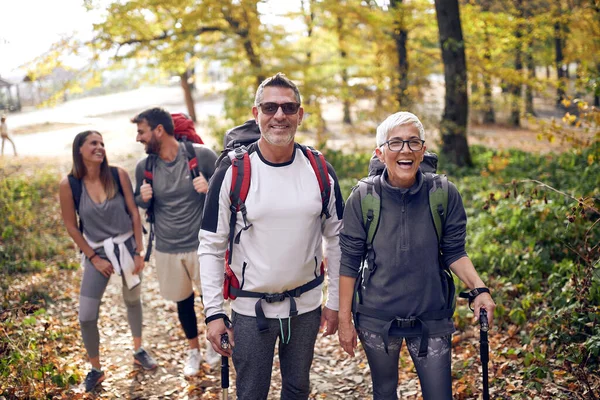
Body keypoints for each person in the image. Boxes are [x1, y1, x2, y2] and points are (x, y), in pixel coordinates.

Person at [199, 73, 344, 400]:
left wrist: (334, 302)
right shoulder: (233, 172)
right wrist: (213, 313)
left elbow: (336, 238)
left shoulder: (319, 169)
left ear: (300, 114)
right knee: (251, 393)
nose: (280, 115)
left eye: (288, 107)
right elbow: (210, 245)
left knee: (298, 388)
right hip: (250, 310)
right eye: (270, 107)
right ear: (256, 113)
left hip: (306, 308)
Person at [337, 111, 496, 400]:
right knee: (384, 392)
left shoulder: (444, 193)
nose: (405, 150)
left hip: (431, 314)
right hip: (376, 317)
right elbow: (348, 261)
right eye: (395, 143)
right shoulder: (362, 198)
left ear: (423, 150)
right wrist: (345, 319)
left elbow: (454, 251)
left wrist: (480, 289)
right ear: (380, 152)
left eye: (413, 142)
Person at [59, 130, 157, 393]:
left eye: (102, 143)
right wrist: (93, 258)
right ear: (79, 149)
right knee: (86, 315)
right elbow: (71, 227)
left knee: (132, 300)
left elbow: (134, 213)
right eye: (93, 143)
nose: (100, 147)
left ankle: (138, 350)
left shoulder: (117, 174)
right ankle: (96, 369)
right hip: (97, 253)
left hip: (127, 246)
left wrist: (139, 250)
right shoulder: (69, 185)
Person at [133, 107, 219, 376]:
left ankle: (214, 345)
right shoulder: (144, 167)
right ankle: (193, 351)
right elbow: (137, 199)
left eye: (141, 132)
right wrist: (142, 197)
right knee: (183, 302)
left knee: (210, 300)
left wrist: (210, 188)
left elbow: (226, 191)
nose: (138, 138)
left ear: (159, 130)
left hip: (201, 245)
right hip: (167, 247)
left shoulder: (200, 155)